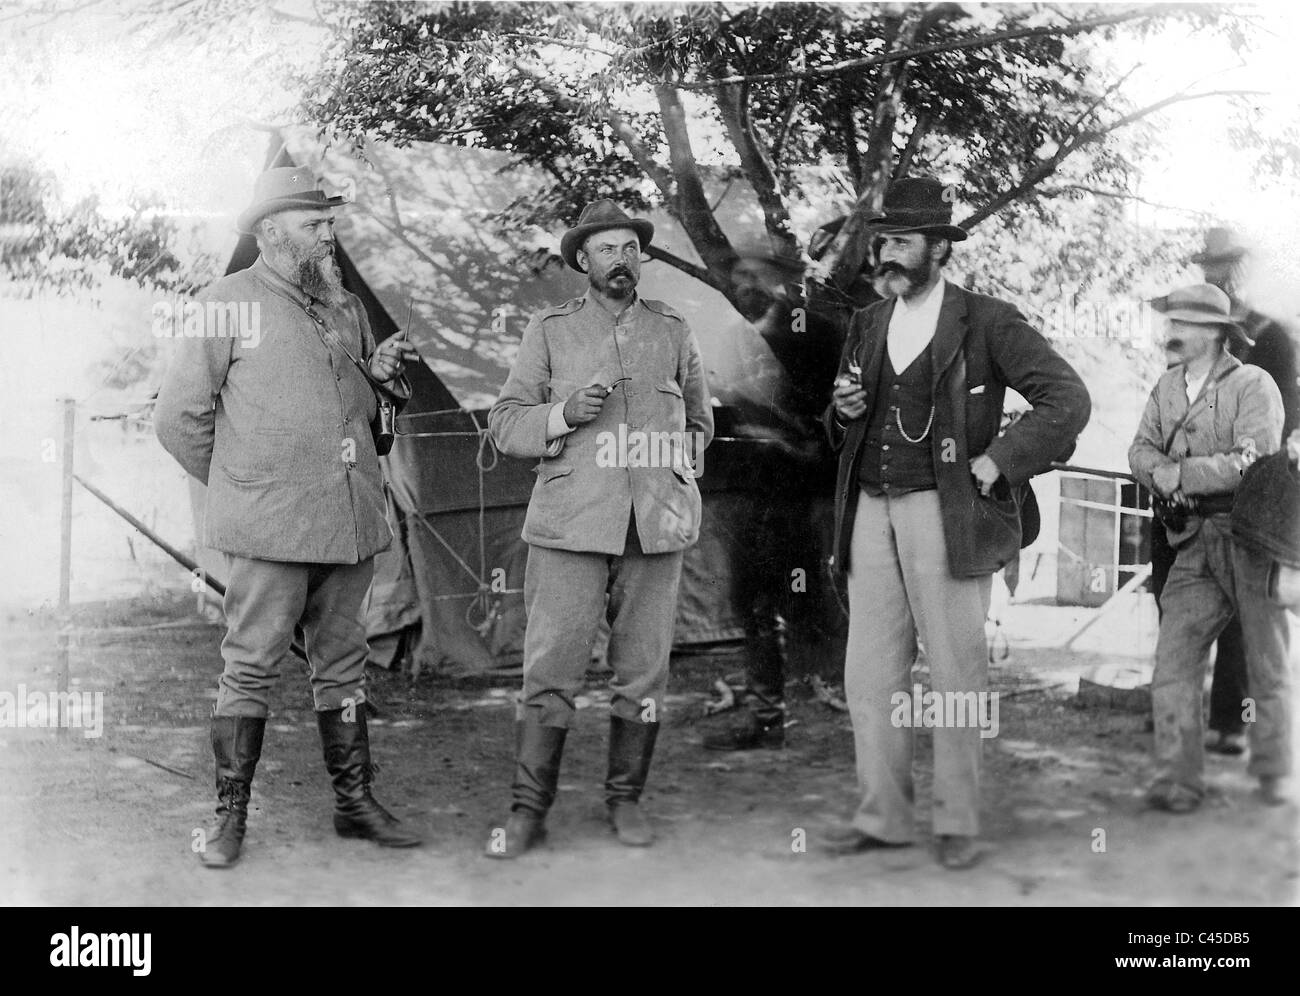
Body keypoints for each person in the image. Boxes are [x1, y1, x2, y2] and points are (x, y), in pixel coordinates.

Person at [155, 165, 423, 867]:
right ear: (271, 233)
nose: (329, 234)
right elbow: (178, 418)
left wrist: (384, 385)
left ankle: (354, 804)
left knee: (343, 667)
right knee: (249, 668)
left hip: (349, 523)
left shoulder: (345, 308)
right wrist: (244, 486)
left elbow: (364, 419)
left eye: (330, 222)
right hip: (270, 530)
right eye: (314, 225)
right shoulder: (225, 302)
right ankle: (229, 815)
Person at [822, 176, 1090, 869]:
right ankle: (882, 817)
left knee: (956, 674)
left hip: (948, 512)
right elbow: (841, 426)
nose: (885, 255)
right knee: (870, 674)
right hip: (869, 512)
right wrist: (843, 411)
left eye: (901, 243)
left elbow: (1066, 399)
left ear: (940, 248)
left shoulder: (988, 320)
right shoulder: (867, 322)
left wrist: (1000, 460)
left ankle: (958, 821)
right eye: (881, 242)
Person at [484, 199, 713, 857]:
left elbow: (699, 425)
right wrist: (560, 415)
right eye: (608, 249)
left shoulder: (672, 330)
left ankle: (626, 801)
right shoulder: (551, 331)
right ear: (582, 261)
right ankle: (528, 812)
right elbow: (506, 424)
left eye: (632, 247)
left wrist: (676, 477)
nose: (623, 259)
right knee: (551, 669)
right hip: (570, 527)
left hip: (655, 530)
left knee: (644, 674)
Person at [1128, 283, 1286, 811]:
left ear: (1216, 333)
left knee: (1268, 662)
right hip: (1191, 542)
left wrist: (1182, 473)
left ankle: (1277, 772)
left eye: (1183, 323)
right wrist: (1160, 474)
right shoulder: (1166, 387)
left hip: (1249, 541)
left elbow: (1253, 461)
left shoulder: (1254, 385)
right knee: (1173, 661)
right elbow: (1139, 448)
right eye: (1171, 321)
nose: (1170, 332)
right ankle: (1177, 780)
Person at [1150, 228, 1299, 755]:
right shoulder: (1187, 337)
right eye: (1210, 266)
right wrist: (1168, 475)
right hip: (1179, 502)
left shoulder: (1272, 337)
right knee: (1174, 606)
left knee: (1243, 616)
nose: (1218, 274)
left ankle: (1233, 721)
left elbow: (1280, 430)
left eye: (1227, 265)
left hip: (1248, 500)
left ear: (1242, 268)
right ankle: (1176, 715)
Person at [702, 240, 842, 751]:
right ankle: (767, 720)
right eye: (737, 278)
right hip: (753, 493)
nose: (744, 286)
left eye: (754, 276)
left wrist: (795, 439)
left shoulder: (819, 333)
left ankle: (867, 705)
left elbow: (844, 415)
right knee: (752, 604)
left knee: (821, 603)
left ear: (782, 280)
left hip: (809, 496)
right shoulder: (735, 341)